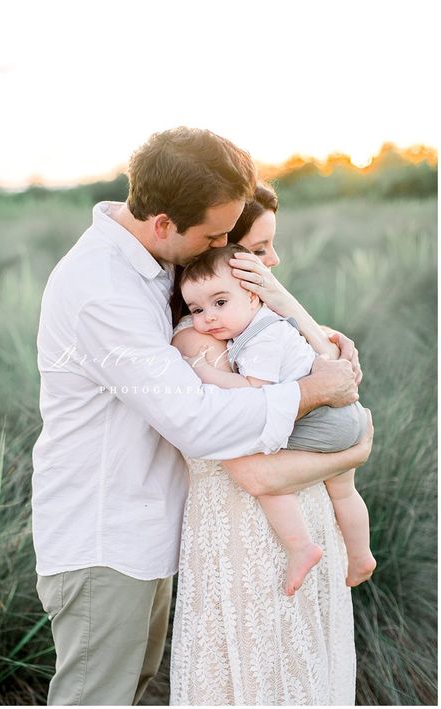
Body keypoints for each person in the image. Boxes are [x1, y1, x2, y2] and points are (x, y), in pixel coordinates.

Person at [32, 130, 369, 706]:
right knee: (97, 698)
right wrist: (318, 393)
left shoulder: (155, 260)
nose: (221, 247)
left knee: (131, 689)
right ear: (163, 223)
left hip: (152, 529)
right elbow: (194, 420)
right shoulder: (102, 288)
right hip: (104, 535)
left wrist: (312, 341)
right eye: (213, 236)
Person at [170, 183, 373, 705]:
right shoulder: (199, 338)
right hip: (246, 535)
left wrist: (292, 308)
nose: (274, 259)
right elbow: (254, 470)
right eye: (259, 252)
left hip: (301, 518)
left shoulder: (252, 322)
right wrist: (355, 451)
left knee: (307, 674)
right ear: (223, 255)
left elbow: (335, 376)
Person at [179, 243, 376, 596]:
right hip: (343, 416)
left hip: (323, 420)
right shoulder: (268, 325)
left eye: (220, 303)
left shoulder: (260, 337)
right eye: (197, 309)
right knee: (344, 491)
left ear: (254, 298)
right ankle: (361, 556)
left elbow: (255, 391)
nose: (208, 317)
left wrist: (206, 372)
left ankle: (301, 545)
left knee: (263, 456)